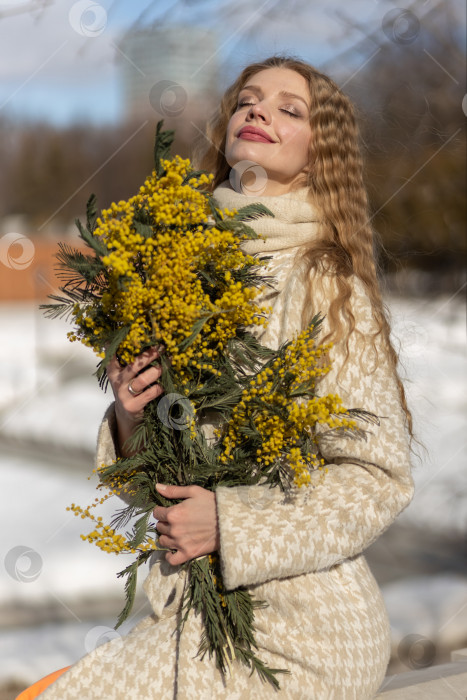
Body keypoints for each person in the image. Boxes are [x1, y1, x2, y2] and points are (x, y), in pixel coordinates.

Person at [34, 55, 414, 699]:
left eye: (290, 109)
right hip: (189, 618)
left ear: (322, 156)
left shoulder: (324, 280)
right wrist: (131, 419)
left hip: (305, 630)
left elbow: (377, 477)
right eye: (247, 101)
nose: (259, 111)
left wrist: (231, 523)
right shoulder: (175, 268)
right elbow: (165, 494)